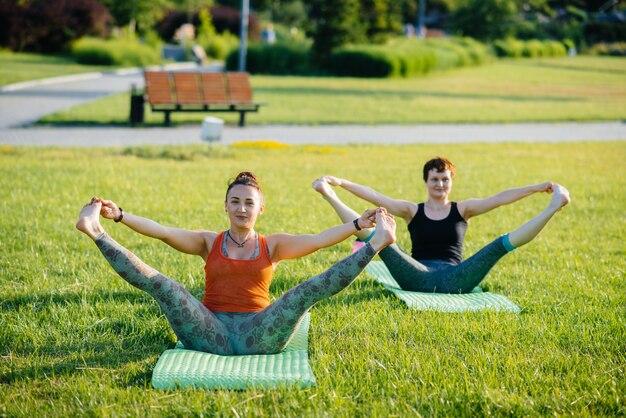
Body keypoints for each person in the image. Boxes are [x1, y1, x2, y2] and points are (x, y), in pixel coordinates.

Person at [76, 172, 396, 356]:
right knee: (164, 285)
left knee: (305, 292)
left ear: (260, 209)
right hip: (208, 331)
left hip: (261, 332)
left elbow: (319, 238)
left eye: (249, 203)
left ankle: (377, 243)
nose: (242, 209)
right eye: (235, 202)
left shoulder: (273, 245)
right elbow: (162, 231)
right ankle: (96, 232)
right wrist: (119, 215)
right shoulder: (207, 242)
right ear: (226, 206)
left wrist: (357, 224)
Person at [312, 157, 571, 294]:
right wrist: (340, 183)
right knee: (382, 240)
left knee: (498, 245)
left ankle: (554, 206)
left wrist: (537, 188)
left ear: (451, 182)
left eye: (445, 179)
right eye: (435, 179)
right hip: (415, 274)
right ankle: (327, 194)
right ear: (426, 181)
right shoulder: (412, 210)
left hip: (458, 277)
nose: (440, 184)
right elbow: (376, 197)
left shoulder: (463, 209)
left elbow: (500, 198)